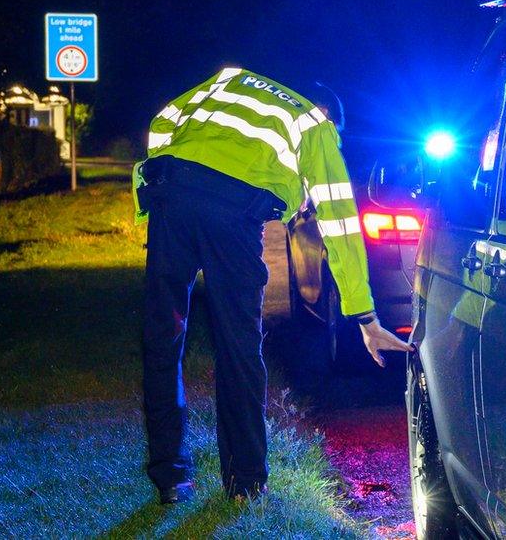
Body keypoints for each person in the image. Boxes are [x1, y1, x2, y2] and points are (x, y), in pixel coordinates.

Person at [132, 67, 411, 504]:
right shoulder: (313, 124)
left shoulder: (231, 78)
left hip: (172, 192)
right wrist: (364, 315)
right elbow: (338, 222)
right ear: (329, 117)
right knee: (238, 347)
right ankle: (246, 483)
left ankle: (170, 477)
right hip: (233, 215)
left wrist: (158, 189)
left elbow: (165, 119)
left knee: (163, 337)